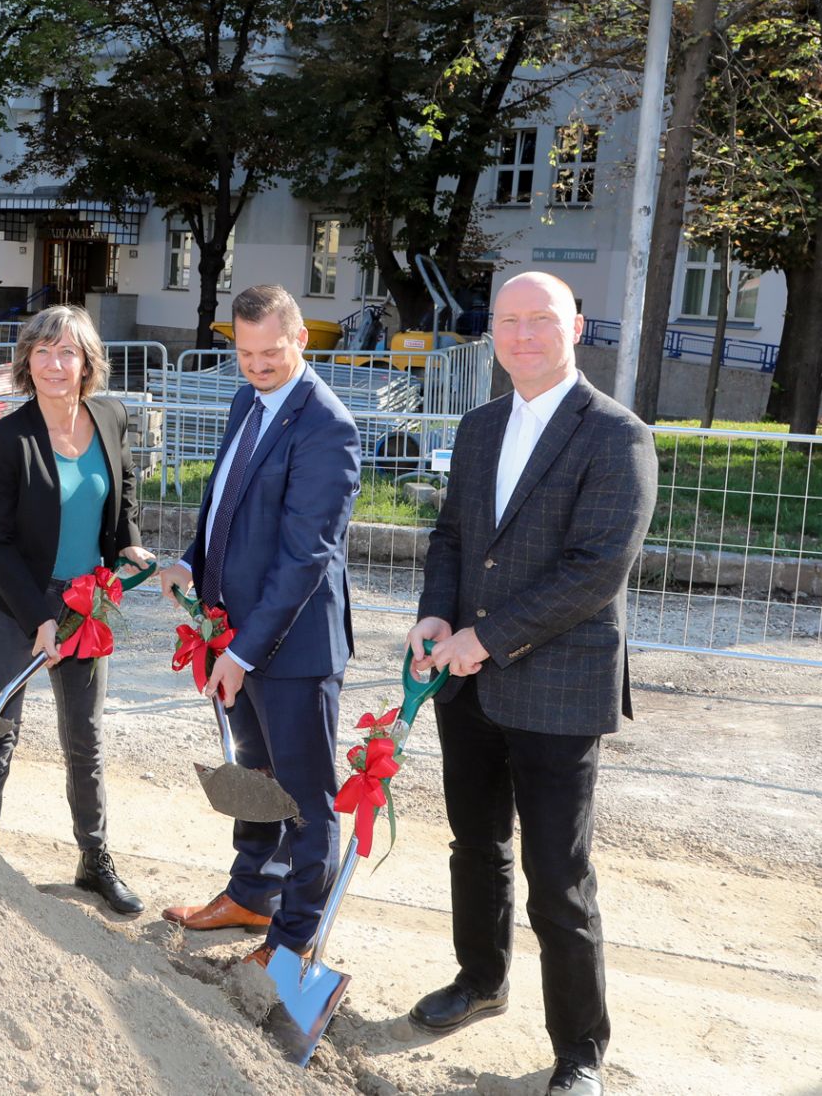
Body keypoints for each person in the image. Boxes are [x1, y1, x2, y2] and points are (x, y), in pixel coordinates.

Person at [403, 273, 657, 1096]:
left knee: (560, 879)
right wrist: (437, 619)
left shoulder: (616, 436)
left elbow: (595, 572)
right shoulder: (479, 428)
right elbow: (450, 538)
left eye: (539, 321)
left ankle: (580, 1049)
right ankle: (481, 979)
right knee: (476, 847)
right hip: (467, 686)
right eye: (508, 322)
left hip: (557, 691)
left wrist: (486, 638)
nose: (522, 336)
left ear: (575, 326)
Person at [156, 285, 361, 962]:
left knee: (303, 797)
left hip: (292, 648)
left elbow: (306, 556)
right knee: (256, 776)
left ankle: (296, 938)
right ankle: (251, 893)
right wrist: (191, 561)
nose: (256, 365)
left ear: (300, 338)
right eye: (244, 353)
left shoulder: (326, 426)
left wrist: (241, 651)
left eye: (270, 351)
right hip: (235, 635)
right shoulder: (249, 398)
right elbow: (227, 496)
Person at [0, 304, 157, 915]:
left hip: (87, 606)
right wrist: (38, 614)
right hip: (17, 604)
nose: (54, 363)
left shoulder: (111, 417)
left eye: (67, 351)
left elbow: (121, 491)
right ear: (26, 361)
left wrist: (127, 541)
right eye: (41, 351)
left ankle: (93, 861)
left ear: (87, 361)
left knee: (85, 739)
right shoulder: (4, 439)